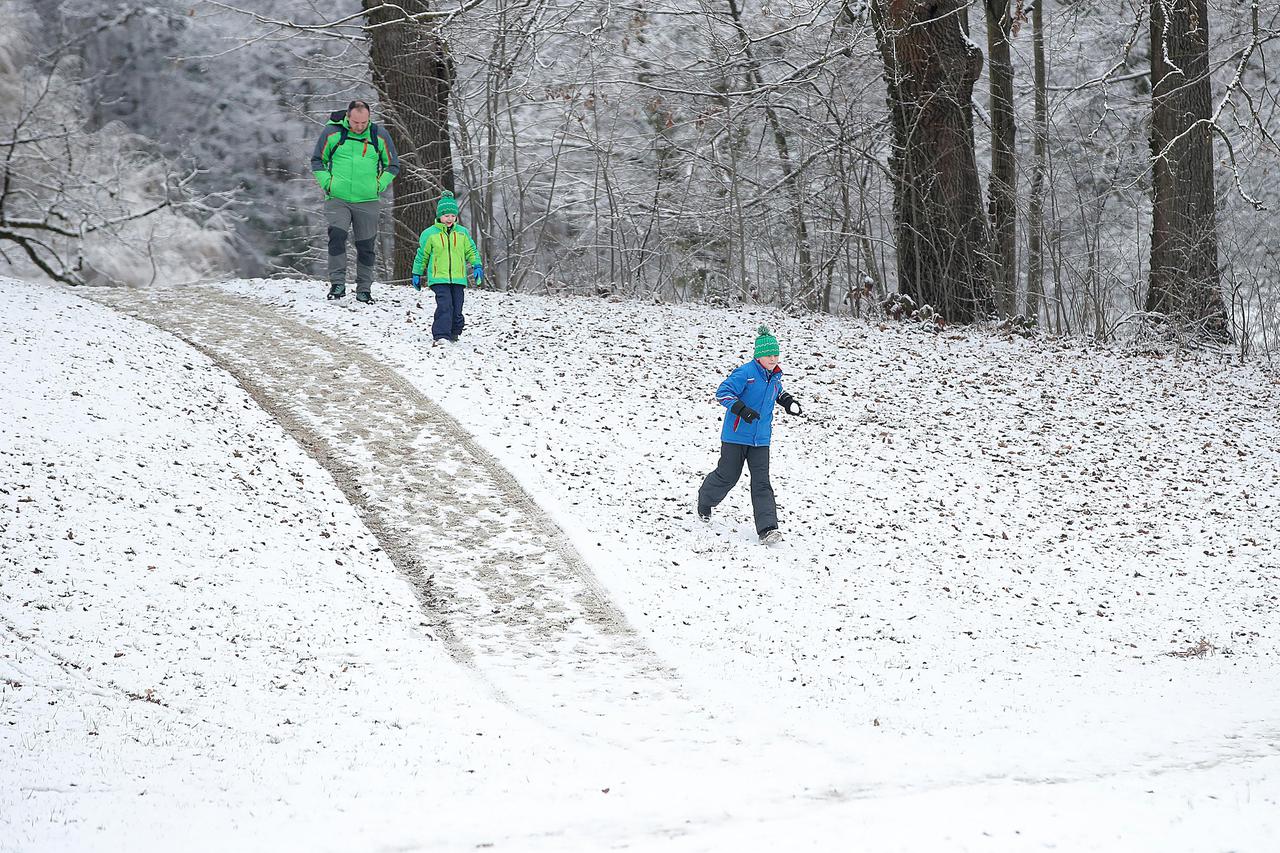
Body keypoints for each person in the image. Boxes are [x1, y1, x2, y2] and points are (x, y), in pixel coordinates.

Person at [697, 325, 803, 544]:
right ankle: (705, 499)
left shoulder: (774, 376)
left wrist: (788, 402)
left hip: (761, 439)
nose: (773, 358)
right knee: (728, 476)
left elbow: (778, 392)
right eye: (769, 355)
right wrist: (741, 410)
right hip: (735, 436)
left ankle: (768, 529)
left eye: (776, 354)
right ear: (759, 356)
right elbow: (723, 393)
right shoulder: (745, 373)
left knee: (762, 482)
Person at [310, 99, 400, 303]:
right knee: (337, 237)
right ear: (347, 118)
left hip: (368, 199)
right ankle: (337, 285)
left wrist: (378, 185)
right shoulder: (332, 133)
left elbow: (392, 165)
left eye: (364, 123)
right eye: (355, 122)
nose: (359, 127)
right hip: (338, 198)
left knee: (366, 245)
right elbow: (318, 161)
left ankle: (364, 289)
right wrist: (328, 184)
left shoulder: (379, 135)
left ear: (369, 118)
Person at [410, 191, 483, 344]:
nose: (449, 219)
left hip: (458, 278)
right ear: (439, 216)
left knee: (457, 308)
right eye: (446, 215)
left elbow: (471, 250)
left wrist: (477, 265)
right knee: (445, 305)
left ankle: (454, 332)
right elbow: (422, 255)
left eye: (452, 215)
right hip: (438, 278)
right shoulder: (430, 234)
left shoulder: (462, 233)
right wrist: (417, 273)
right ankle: (441, 335)